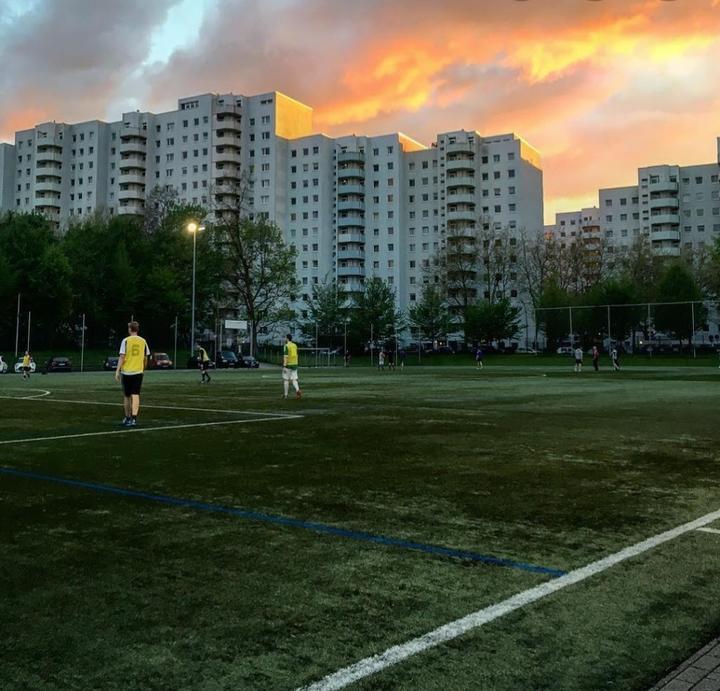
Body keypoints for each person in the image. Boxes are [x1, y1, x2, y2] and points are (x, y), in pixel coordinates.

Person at [115, 321, 150, 427]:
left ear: (130, 329)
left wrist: (117, 370)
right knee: (136, 395)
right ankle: (134, 418)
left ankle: (127, 417)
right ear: (137, 330)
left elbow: (122, 356)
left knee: (127, 396)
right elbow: (146, 357)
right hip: (138, 372)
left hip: (126, 372)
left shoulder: (125, 341)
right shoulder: (143, 341)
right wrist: (143, 367)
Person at [282, 334, 301, 399]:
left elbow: (285, 356)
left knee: (286, 380)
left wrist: (284, 365)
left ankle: (286, 395)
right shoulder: (294, 345)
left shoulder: (286, 346)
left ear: (287, 338)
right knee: (294, 379)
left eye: (285, 338)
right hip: (295, 364)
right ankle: (297, 390)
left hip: (288, 364)